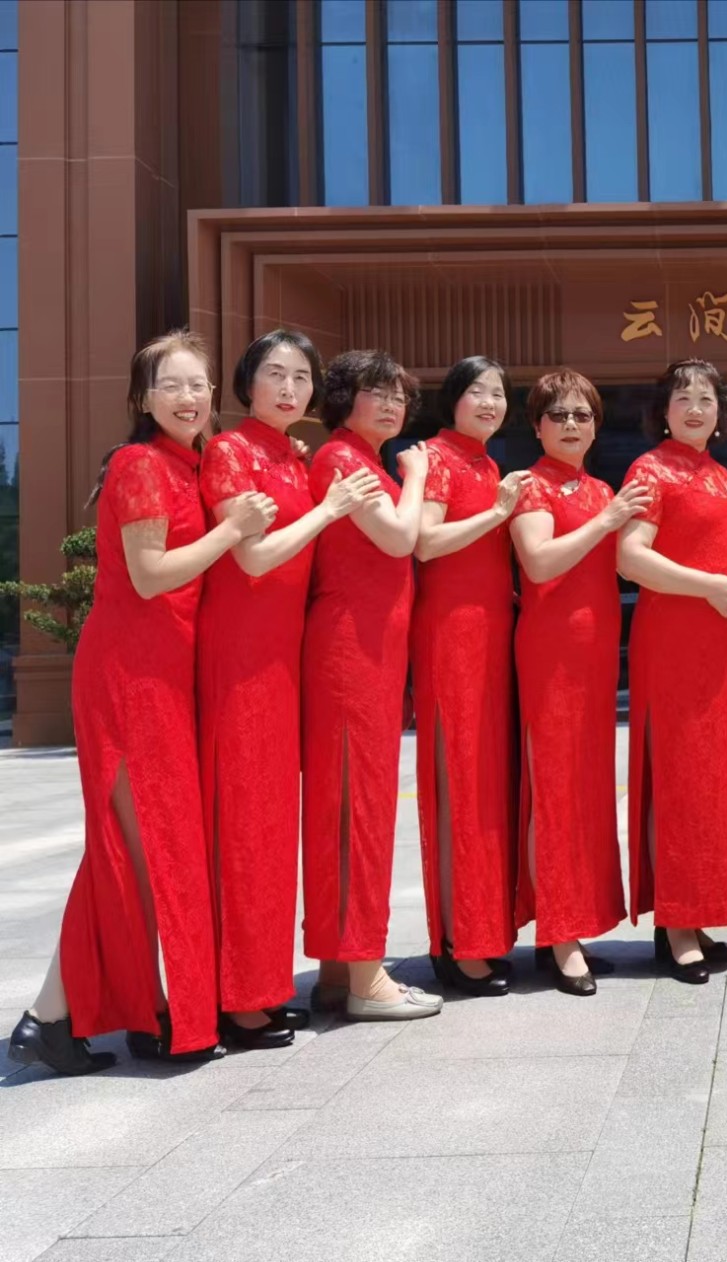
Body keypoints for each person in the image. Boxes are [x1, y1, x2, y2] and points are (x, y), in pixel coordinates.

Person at [8, 331, 275, 1074]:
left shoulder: (190, 464)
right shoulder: (139, 465)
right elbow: (151, 574)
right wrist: (234, 529)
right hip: (129, 675)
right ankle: (67, 1015)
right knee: (140, 847)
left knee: (141, 847)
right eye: (171, 385)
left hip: (168, 675)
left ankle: (96, 1013)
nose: (189, 398)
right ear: (142, 397)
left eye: (199, 385)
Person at [200, 330, 384, 1050]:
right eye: (274, 374)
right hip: (242, 655)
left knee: (276, 829)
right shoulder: (229, 451)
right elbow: (253, 557)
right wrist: (330, 509)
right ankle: (239, 998)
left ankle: (264, 985)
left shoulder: (292, 456)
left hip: (286, 659)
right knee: (247, 824)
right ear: (246, 384)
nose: (289, 388)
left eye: (301, 377)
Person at [301, 350, 442, 1020]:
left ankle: (338, 969)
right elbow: (399, 538)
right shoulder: (344, 460)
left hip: (366, 653)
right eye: (376, 392)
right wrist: (418, 475)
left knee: (347, 804)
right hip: (350, 653)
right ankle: (366, 977)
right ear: (343, 399)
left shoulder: (360, 461)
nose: (391, 405)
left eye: (399, 395)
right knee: (359, 805)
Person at [510, 370, 647, 996]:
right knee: (555, 790)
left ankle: (576, 923)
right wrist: (606, 520)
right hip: (551, 657)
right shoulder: (530, 487)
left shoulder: (599, 488)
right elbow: (540, 563)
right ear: (537, 426)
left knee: (588, 790)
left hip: (595, 658)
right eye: (558, 415)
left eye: (582, 415)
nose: (571, 425)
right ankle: (559, 934)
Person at [617, 360, 727, 984]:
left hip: (718, 646)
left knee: (711, 780)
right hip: (672, 643)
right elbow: (630, 557)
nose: (695, 409)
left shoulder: (723, 475)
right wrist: (707, 586)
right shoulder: (650, 469)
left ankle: (698, 912)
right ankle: (676, 926)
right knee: (677, 775)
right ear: (663, 411)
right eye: (683, 398)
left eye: (706, 399)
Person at [412, 357, 528, 997]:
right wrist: (498, 512)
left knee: (486, 786)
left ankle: (484, 929)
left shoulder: (484, 464)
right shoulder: (435, 458)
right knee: (459, 783)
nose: (489, 402)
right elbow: (425, 542)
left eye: (498, 393)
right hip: (452, 635)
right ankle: (457, 942)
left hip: (490, 634)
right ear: (452, 399)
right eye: (477, 391)